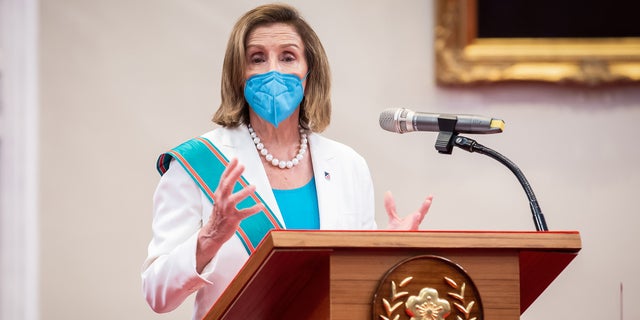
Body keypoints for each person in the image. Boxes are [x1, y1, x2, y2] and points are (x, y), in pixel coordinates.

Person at [141, 3, 433, 319]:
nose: (273, 70)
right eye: (257, 58)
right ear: (238, 75)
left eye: (288, 57)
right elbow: (158, 294)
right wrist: (207, 240)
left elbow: (358, 287)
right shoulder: (197, 163)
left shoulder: (348, 165)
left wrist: (390, 252)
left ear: (309, 73)